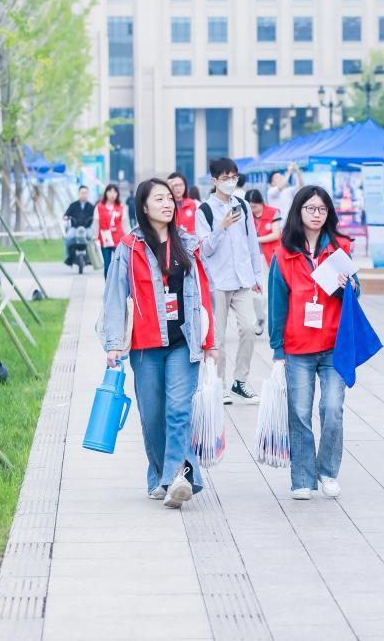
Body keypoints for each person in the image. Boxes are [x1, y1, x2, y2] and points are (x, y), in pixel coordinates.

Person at [102, 178, 216, 509]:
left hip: (183, 341)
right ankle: (159, 476)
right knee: (152, 416)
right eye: (159, 199)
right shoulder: (129, 248)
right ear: (143, 206)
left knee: (178, 409)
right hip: (145, 345)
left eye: (170, 198)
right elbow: (114, 296)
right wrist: (113, 343)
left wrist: (210, 341)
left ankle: (176, 477)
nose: (168, 204)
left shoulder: (189, 244)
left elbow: (204, 295)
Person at [268, 185, 356, 500]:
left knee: (332, 409)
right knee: (299, 413)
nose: (316, 214)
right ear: (299, 211)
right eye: (310, 208)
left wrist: (349, 287)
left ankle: (328, 471)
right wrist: (277, 347)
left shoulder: (340, 248)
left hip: (334, 345)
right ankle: (302, 478)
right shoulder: (284, 253)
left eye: (322, 209)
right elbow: (277, 302)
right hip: (297, 347)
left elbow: (355, 294)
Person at [196, 157, 265, 405]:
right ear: (214, 180)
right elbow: (204, 249)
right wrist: (221, 227)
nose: (230, 182)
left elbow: (251, 242)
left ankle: (240, 381)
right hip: (217, 281)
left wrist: (257, 275)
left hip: (243, 279)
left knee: (249, 327)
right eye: (225, 178)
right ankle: (220, 385)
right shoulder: (204, 210)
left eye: (234, 177)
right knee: (218, 337)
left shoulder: (243, 205)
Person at [246, 188, 283, 335]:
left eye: (254, 206)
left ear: (260, 202)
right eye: (250, 207)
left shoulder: (273, 212)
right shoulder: (247, 215)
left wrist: (255, 240)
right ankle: (260, 318)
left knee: (268, 292)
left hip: (270, 258)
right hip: (252, 259)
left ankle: (268, 321)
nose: (253, 210)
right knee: (255, 294)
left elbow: (276, 234)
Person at [94, 184, 128, 278]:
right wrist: (95, 237)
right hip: (105, 239)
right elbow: (96, 223)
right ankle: (108, 285)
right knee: (107, 265)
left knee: (120, 264)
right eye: (110, 191)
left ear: (117, 194)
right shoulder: (99, 207)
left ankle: (119, 285)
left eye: (115, 192)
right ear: (106, 193)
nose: (112, 194)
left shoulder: (121, 207)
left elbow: (125, 223)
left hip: (118, 238)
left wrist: (129, 237)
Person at [62, 185, 95, 266]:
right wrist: (66, 217)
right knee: (68, 237)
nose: (83, 195)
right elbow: (66, 215)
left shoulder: (91, 206)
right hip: (75, 228)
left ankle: (91, 258)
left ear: (88, 194)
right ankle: (68, 257)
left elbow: (96, 216)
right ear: (79, 194)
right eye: (82, 193)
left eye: (85, 193)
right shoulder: (73, 205)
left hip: (87, 228)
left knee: (92, 238)